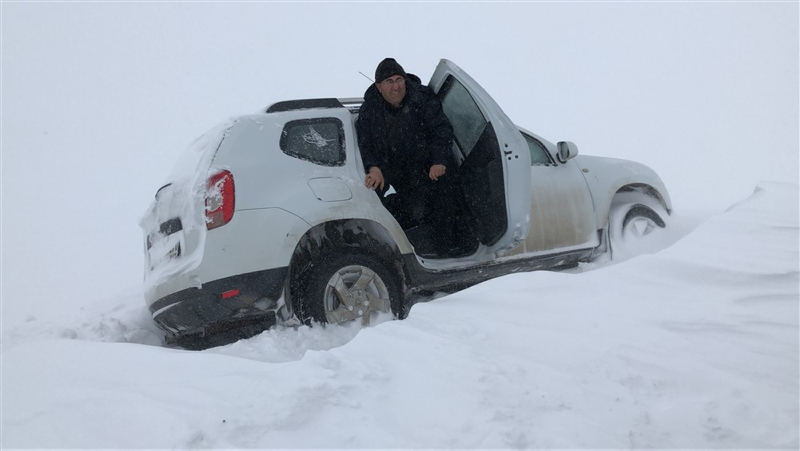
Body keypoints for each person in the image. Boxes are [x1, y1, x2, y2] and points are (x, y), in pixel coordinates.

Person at [356, 58, 461, 257]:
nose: (396, 86)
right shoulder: (369, 110)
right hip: (391, 168)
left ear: (405, 80)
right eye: (389, 82)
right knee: (371, 194)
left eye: (399, 80)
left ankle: (444, 252)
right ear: (379, 87)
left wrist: (439, 160)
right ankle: (385, 252)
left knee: (444, 192)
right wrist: (374, 168)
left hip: (426, 164)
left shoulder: (422, 98)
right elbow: (365, 144)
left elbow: (442, 130)